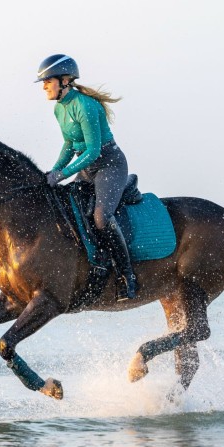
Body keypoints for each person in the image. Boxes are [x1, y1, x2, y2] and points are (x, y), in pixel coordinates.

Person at [36, 54, 138, 301]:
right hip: (87, 167)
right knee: (69, 207)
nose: (44, 86)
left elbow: (93, 151)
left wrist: (64, 173)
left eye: (48, 81)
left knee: (101, 217)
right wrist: (54, 172)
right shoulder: (59, 109)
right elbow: (70, 144)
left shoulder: (85, 105)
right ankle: (95, 263)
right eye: (44, 82)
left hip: (109, 164)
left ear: (65, 80)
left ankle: (127, 277)